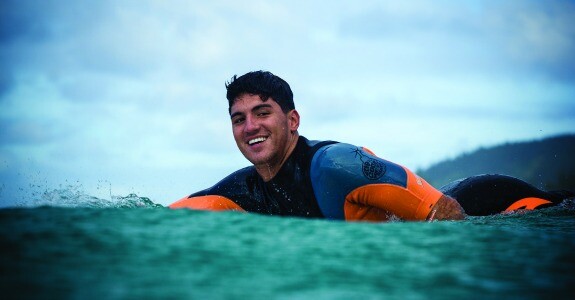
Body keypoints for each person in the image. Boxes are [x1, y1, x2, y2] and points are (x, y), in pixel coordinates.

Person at [169, 71, 571, 221]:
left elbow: (445, 214)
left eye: (262, 112)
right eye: (239, 119)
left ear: (292, 121)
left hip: (499, 203)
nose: (250, 126)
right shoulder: (241, 190)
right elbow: (155, 221)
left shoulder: (336, 164)